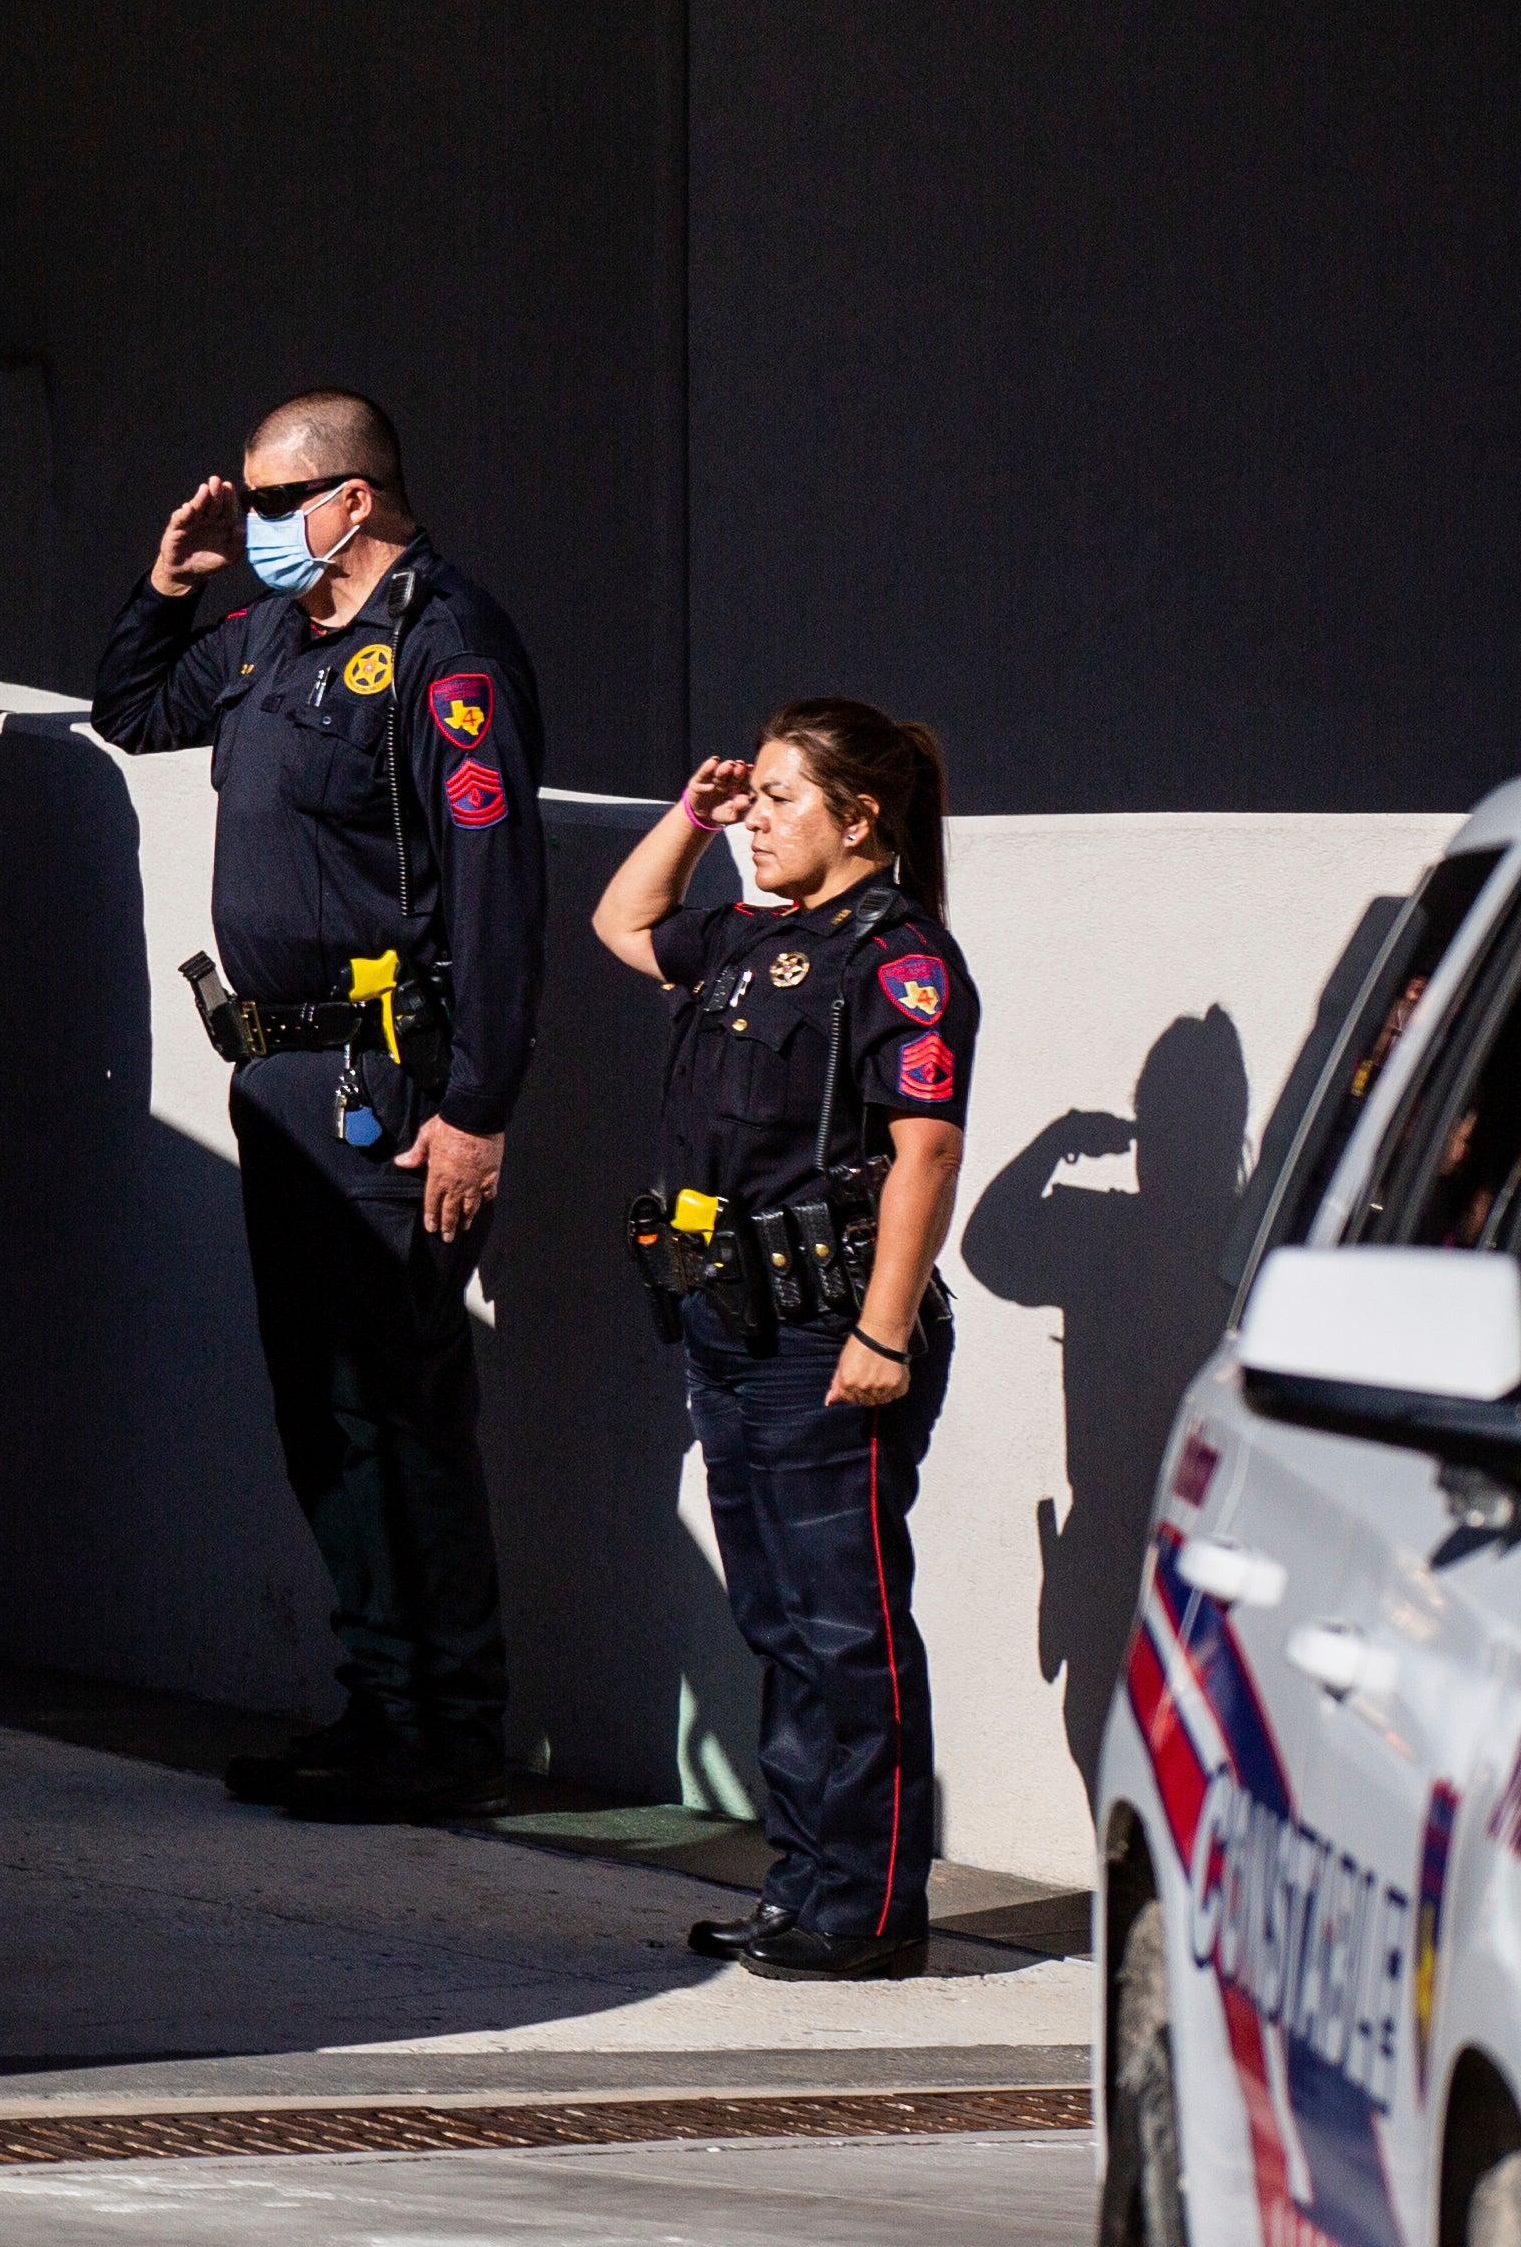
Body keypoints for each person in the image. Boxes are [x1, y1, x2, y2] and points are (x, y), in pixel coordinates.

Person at [88, 389, 546, 1822]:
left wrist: (477, 1107)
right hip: (279, 1073)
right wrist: (172, 584)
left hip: (387, 1081)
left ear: (352, 500)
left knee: (395, 1405)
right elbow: (130, 709)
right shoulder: (274, 630)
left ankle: (446, 1728)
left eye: (273, 504)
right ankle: (378, 1697)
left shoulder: (443, 647)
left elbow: (499, 893)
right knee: (321, 1412)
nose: (257, 527)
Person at [588, 700, 972, 1980]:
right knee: (775, 1618)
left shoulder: (897, 957)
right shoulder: (753, 936)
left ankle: (867, 1911)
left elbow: (925, 1150)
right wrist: (693, 817)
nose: (757, 821)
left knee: (846, 1626)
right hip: (730, 1315)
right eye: (750, 800)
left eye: (780, 800)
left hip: (828, 1337)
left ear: (859, 818)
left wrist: (884, 1332)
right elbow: (623, 925)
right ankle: (805, 1885)